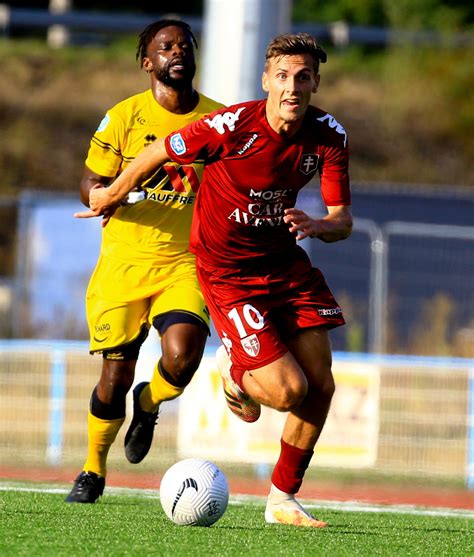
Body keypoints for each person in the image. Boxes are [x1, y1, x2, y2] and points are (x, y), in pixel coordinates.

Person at [76, 32, 352, 528]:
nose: (292, 87)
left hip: (285, 265)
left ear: (316, 82)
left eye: (303, 77)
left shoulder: (329, 136)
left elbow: (342, 220)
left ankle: (282, 499)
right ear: (266, 80)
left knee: (322, 385)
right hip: (228, 273)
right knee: (289, 392)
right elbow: (160, 150)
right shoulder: (231, 125)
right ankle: (234, 371)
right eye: (283, 76)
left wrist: (320, 226)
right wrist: (114, 192)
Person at [66, 19, 223, 504]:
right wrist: (100, 196)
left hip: (184, 263)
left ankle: (150, 402)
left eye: (184, 45)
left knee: (182, 356)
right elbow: (91, 180)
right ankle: (93, 468)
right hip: (124, 265)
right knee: (114, 378)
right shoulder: (123, 117)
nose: (177, 51)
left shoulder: (219, 120)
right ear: (147, 61)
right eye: (165, 46)